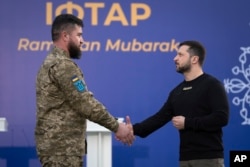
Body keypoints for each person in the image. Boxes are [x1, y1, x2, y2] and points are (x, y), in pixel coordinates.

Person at [35, 13, 134, 167]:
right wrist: (116, 126)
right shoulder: (63, 65)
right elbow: (85, 102)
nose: (82, 40)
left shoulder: (51, 62)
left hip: (58, 148)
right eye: (79, 35)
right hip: (62, 150)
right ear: (65, 36)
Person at [125, 40, 229, 167]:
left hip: (209, 158)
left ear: (194, 59)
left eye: (180, 55)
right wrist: (133, 130)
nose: (175, 58)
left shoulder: (212, 85)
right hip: (185, 159)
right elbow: (159, 118)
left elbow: (221, 117)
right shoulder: (177, 92)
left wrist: (187, 123)